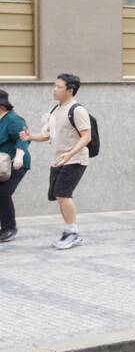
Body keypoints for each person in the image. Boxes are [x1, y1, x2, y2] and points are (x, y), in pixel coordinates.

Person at [19, 73, 92, 249]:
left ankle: (73, 233)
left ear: (70, 90)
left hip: (75, 159)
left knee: (63, 194)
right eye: (54, 86)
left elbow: (86, 136)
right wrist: (30, 136)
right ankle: (70, 230)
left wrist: (70, 154)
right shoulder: (56, 109)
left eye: (59, 87)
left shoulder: (77, 110)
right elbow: (47, 135)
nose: (54, 89)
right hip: (59, 160)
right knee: (59, 196)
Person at [0, 89, 31, 243]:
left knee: (3, 193)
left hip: (15, 164)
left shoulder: (13, 119)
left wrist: (18, 156)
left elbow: (24, 138)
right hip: (1, 164)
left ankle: (9, 228)